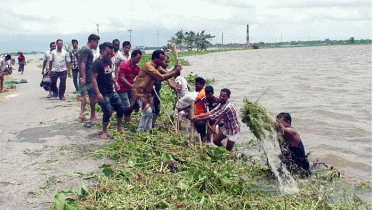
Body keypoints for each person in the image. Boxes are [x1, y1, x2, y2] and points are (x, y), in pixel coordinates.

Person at [131, 50, 182, 132]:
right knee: (147, 111)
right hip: (139, 92)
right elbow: (160, 77)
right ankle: (140, 130)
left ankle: (148, 129)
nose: (163, 62)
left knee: (151, 112)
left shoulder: (157, 66)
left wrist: (175, 72)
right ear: (155, 58)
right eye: (161, 59)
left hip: (147, 93)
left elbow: (167, 75)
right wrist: (174, 71)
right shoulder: (149, 66)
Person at [92, 42, 125, 139]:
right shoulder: (97, 63)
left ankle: (119, 127)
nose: (110, 55)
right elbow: (93, 79)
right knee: (107, 112)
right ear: (102, 51)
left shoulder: (109, 61)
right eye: (108, 53)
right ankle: (104, 132)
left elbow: (110, 75)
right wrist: (98, 94)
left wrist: (115, 82)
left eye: (112, 53)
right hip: (102, 92)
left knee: (120, 108)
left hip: (111, 90)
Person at [78, 34, 100, 121]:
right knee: (92, 95)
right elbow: (83, 63)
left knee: (83, 94)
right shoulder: (87, 50)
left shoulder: (83, 49)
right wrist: (84, 77)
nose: (97, 45)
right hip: (88, 76)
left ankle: (82, 113)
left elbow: (79, 62)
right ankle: (93, 114)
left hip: (84, 75)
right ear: (92, 41)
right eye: (96, 42)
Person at [151, 55, 177, 128]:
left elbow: (169, 80)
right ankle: (148, 126)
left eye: (168, 62)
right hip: (150, 92)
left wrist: (175, 88)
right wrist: (175, 70)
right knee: (150, 109)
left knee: (157, 108)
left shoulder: (163, 69)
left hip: (157, 91)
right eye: (165, 62)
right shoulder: (154, 68)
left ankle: (153, 124)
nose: (167, 64)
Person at [117, 49, 142, 123]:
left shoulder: (136, 67)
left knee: (131, 105)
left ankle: (126, 120)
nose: (139, 60)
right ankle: (124, 121)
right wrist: (131, 85)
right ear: (133, 56)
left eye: (140, 58)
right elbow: (122, 78)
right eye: (138, 58)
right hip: (122, 88)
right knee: (127, 106)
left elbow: (140, 77)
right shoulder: (125, 65)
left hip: (130, 88)